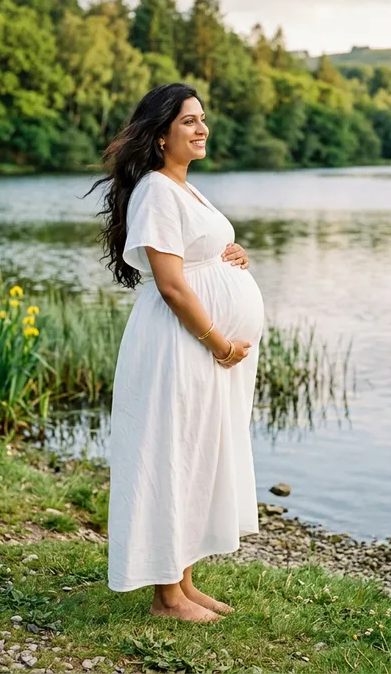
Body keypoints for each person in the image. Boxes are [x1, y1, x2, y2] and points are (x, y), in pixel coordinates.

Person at [89, 83, 264, 623]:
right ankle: (166, 599)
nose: (201, 128)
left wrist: (232, 253)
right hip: (180, 344)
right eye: (189, 121)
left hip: (201, 348)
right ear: (161, 134)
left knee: (192, 454)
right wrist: (219, 342)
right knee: (172, 454)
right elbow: (170, 284)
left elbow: (197, 259)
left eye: (203, 119)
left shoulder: (185, 189)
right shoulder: (158, 191)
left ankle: (184, 584)